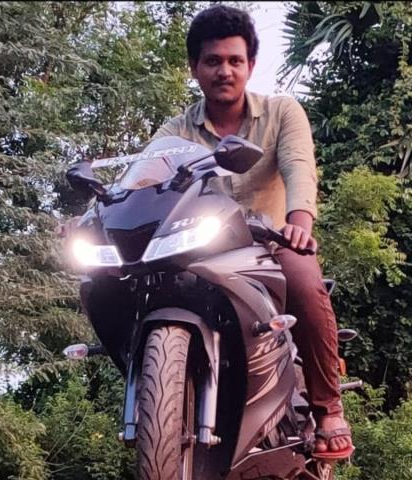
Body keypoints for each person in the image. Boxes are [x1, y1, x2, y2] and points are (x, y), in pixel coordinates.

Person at [151, 4, 353, 458]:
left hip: (270, 245)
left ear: (250, 65)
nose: (224, 71)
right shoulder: (176, 132)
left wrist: (299, 225)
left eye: (234, 60)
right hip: (202, 251)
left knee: (305, 279)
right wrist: (90, 218)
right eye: (212, 61)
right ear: (194, 68)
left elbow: (299, 169)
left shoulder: (281, 112)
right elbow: (143, 180)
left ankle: (328, 410)